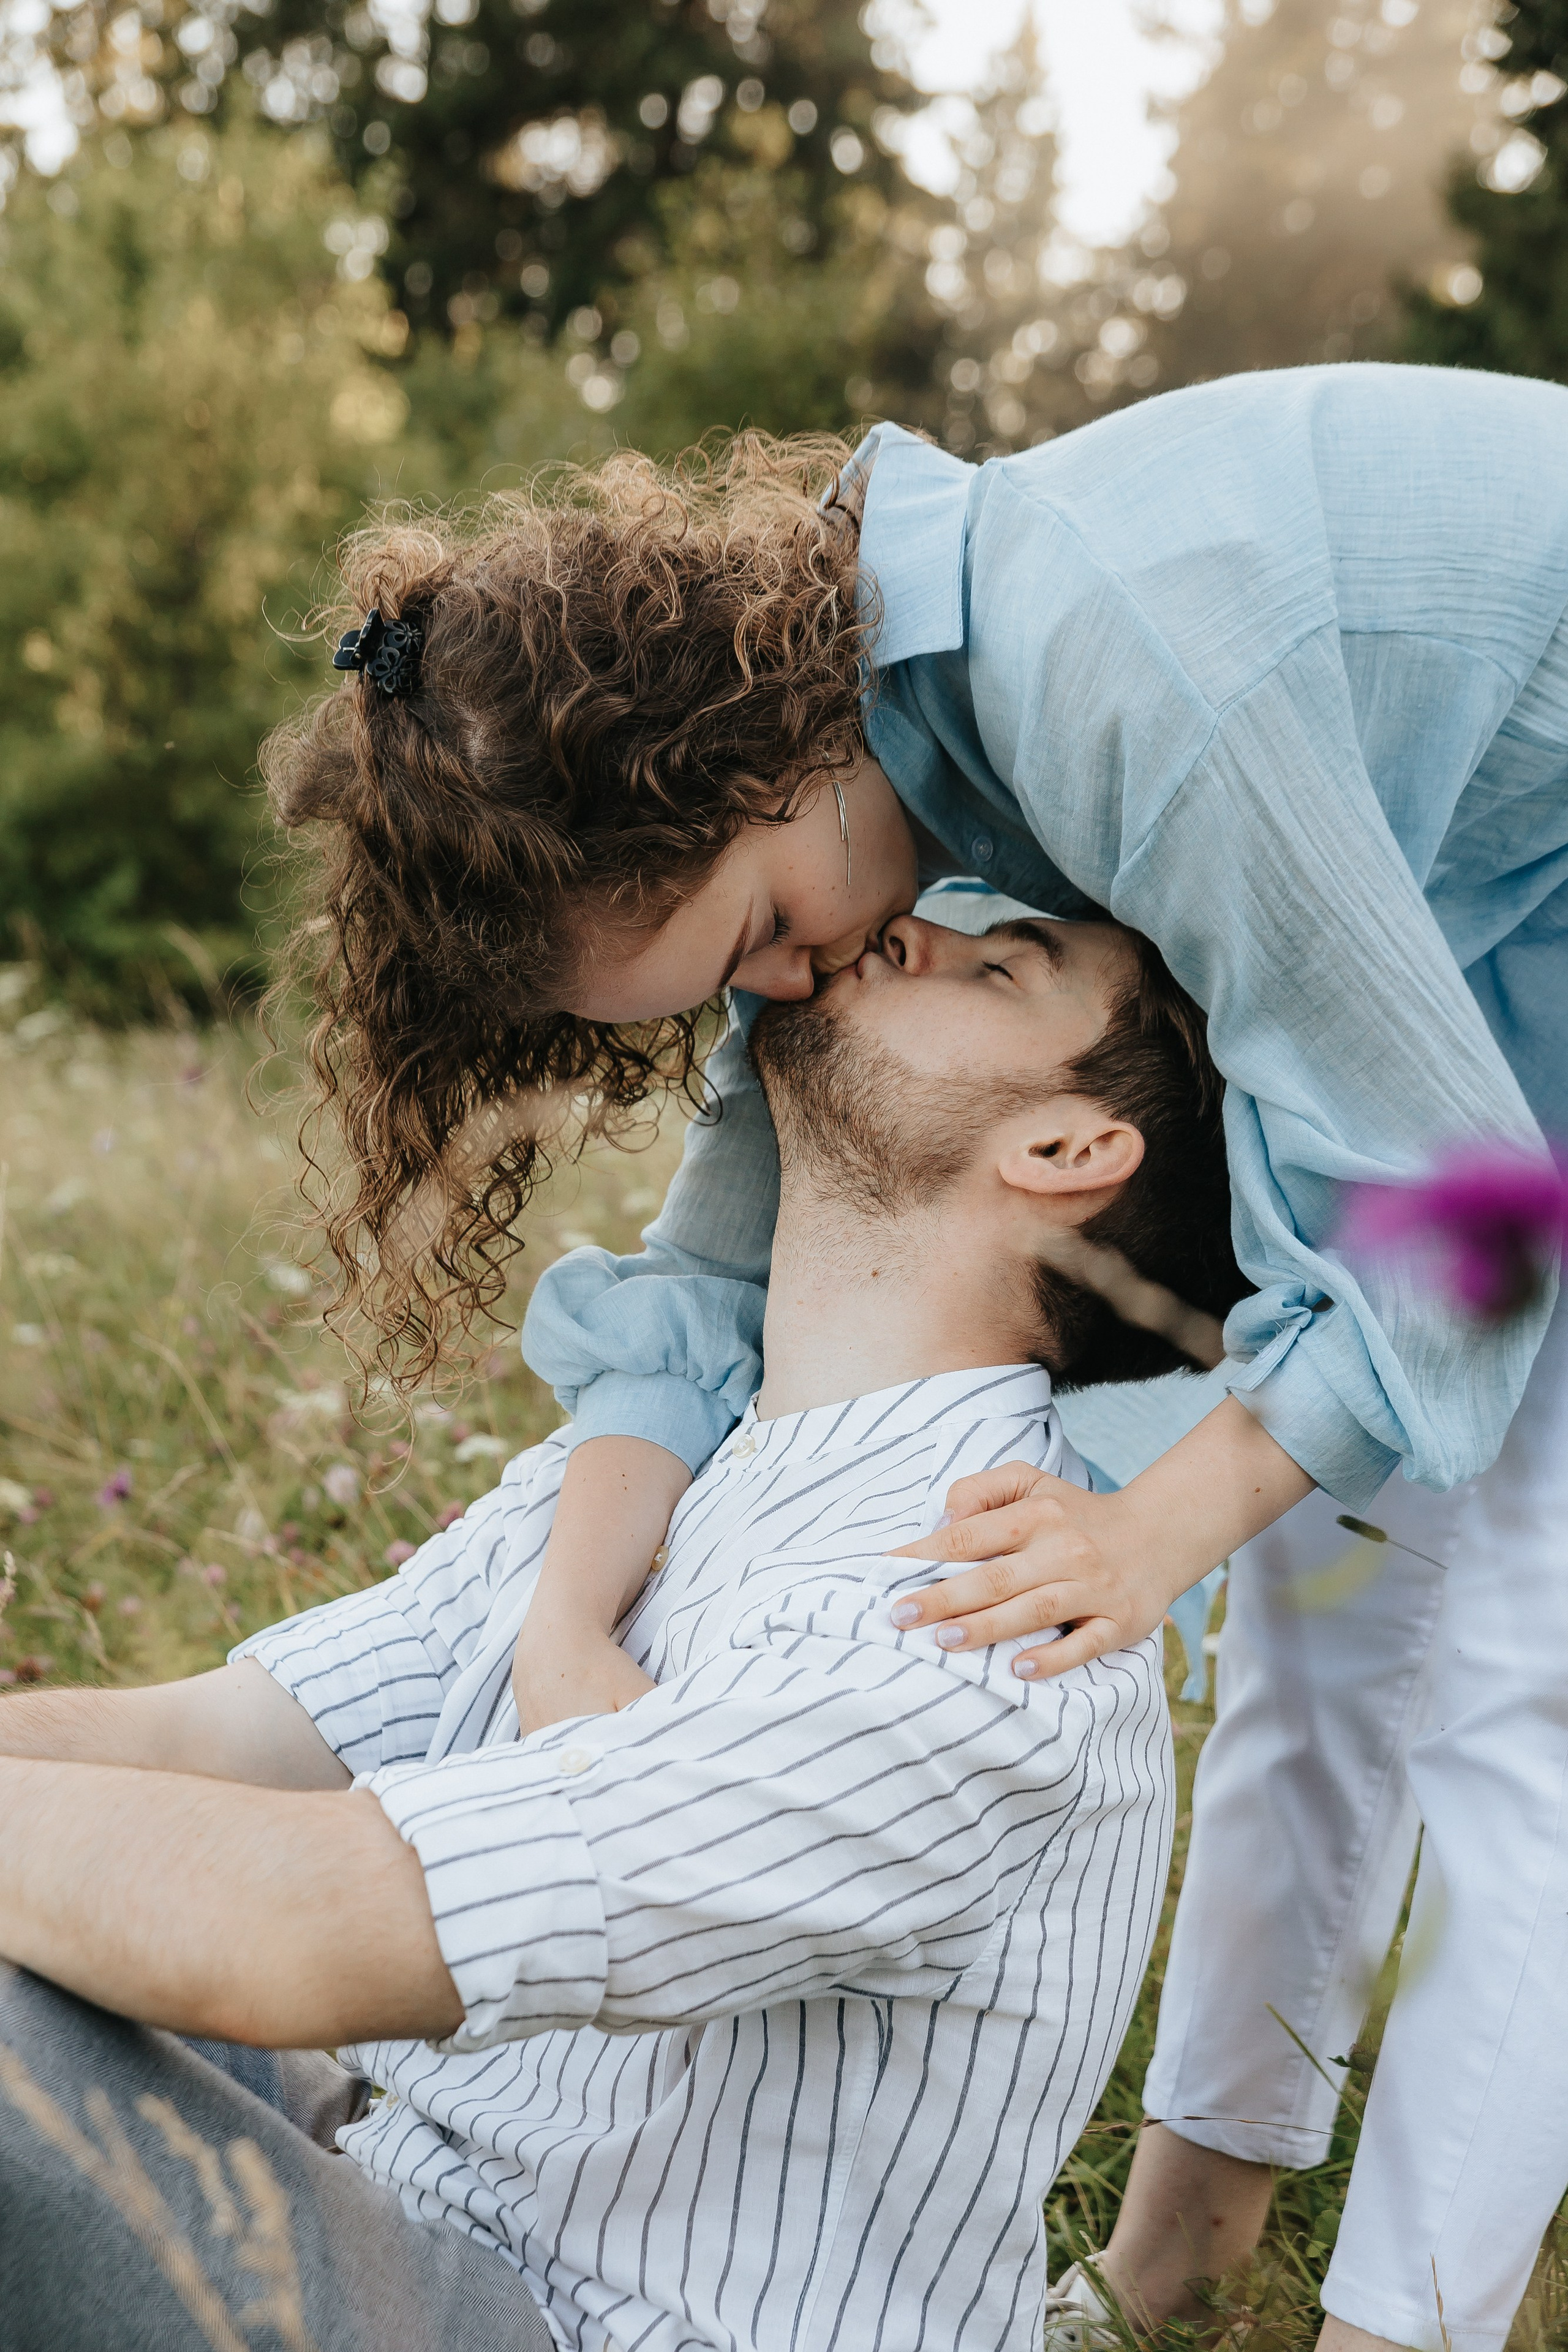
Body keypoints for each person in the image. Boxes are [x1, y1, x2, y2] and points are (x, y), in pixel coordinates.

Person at [265, 364, 1568, 2351]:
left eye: (759, 939)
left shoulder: (1121, 682)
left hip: (1516, 893)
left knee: (1516, 1670)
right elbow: (704, 1292)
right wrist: (562, 1621)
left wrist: (1142, 1534)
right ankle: (1182, 2263)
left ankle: (1408, 2330)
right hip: (1485, 886)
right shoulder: (858, 770)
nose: (784, 999)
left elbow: (1470, 1224)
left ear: (734, 768)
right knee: (1332, 1574)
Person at [0, 909, 1235, 2352]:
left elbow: (292, 1930)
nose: (909, 932)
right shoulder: (668, 1465)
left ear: (1068, 1151)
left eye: (998, 968)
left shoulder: (978, 1619)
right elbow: (205, 1742)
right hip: (399, 2186)